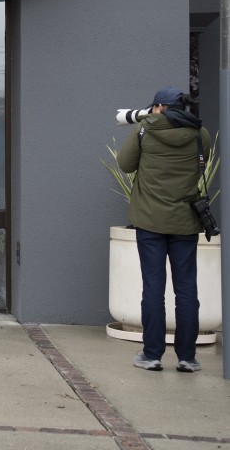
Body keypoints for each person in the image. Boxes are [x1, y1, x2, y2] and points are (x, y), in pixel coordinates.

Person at [117, 86, 211, 373]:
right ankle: (187, 357)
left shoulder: (144, 130)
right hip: (184, 222)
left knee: (153, 289)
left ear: (158, 107)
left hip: (150, 221)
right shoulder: (200, 134)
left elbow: (125, 164)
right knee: (186, 290)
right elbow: (201, 165)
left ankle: (152, 355)